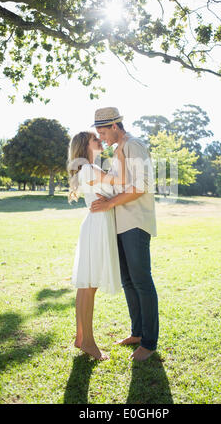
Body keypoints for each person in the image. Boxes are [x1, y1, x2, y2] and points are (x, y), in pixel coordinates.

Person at [90, 107, 159, 362]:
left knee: (141, 281)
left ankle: (150, 342)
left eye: (104, 131)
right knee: (128, 281)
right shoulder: (118, 150)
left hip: (136, 223)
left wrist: (108, 204)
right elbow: (119, 184)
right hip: (119, 224)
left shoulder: (134, 146)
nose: (103, 137)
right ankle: (138, 333)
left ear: (116, 126)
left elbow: (141, 187)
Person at [67, 130, 127, 360]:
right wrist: (119, 152)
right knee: (88, 286)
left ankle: (81, 337)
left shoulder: (89, 169)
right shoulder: (90, 169)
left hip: (96, 223)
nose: (100, 140)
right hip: (98, 225)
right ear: (85, 145)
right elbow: (121, 182)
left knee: (86, 285)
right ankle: (89, 342)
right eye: (95, 139)